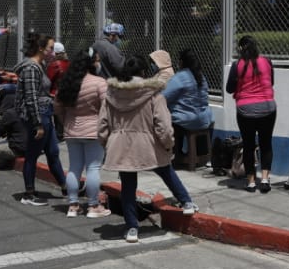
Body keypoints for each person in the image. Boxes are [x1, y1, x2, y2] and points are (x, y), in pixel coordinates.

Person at [99, 54, 198, 242]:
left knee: (128, 187)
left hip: (120, 144)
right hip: (148, 145)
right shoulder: (154, 94)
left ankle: (132, 228)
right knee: (166, 170)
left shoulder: (111, 95)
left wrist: (107, 144)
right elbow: (163, 125)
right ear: (144, 72)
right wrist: (168, 144)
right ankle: (186, 202)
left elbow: (103, 125)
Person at [55, 49, 111, 218]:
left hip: (72, 129)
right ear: (91, 63)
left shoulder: (67, 82)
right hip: (94, 131)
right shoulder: (99, 83)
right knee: (93, 168)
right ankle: (93, 206)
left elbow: (57, 107)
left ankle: (73, 205)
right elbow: (106, 107)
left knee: (74, 167)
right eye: (97, 60)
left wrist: (66, 120)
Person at [14, 32, 65, 207]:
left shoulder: (41, 65)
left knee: (53, 151)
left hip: (45, 113)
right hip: (37, 115)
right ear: (41, 49)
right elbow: (31, 97)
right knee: (32, 155)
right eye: (50, 48)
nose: (53, 51)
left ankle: (65, 186)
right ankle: (29, 193)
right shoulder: (31, 68)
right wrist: (37, 124)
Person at [226, 35, 277, 193]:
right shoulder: (267, 62)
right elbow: (271, 82)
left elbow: (229, 89)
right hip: (268, 108)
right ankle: (265, 179)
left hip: (245, 110)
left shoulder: (237, 65)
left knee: (248, 145)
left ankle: (250, 182)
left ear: (241, 49)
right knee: (266, 144)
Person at [163, 48, 215, 158]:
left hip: (187, 121)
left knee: (167, 118)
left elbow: (163, 97)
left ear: (181, 62)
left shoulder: (181, 76)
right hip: (205, 120)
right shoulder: (201, 76)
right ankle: (194, 154)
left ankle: (175, 154)